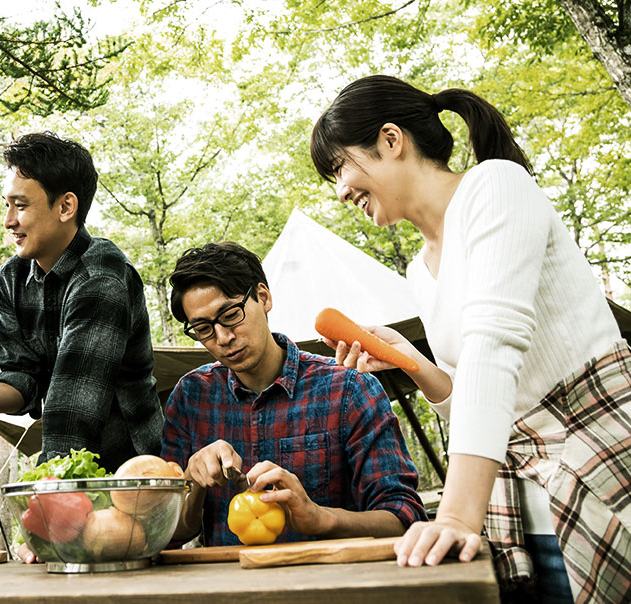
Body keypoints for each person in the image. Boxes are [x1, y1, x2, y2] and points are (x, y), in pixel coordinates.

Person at [310, 74, 631, 604]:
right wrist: (413, 363)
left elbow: (493, 352)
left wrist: (456, 514)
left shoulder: (496, 187)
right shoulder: (420, 271)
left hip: (602, 482)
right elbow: (485, 404)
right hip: (523, 523)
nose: (341, 191)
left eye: (341, 167)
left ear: (392, 140)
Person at [0, 131, 164, 471]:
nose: (8, 221)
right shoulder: (12, 280)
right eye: (6, 205)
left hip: (132, 470)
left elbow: (74, 407)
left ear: (65, 206)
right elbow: (23, 378)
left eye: (21, 205)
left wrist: (48, 488)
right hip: (73, 468)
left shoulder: (101, 275)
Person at [162, 241, 427, 548]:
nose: (223, 337)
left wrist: (318, 517)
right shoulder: (191, 398)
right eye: (203, 328)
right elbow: (168, 530)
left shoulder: (348, 389)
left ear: (263, 297)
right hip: (228, 592)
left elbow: (404, 518)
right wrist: (193, 483)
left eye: (231, 314)